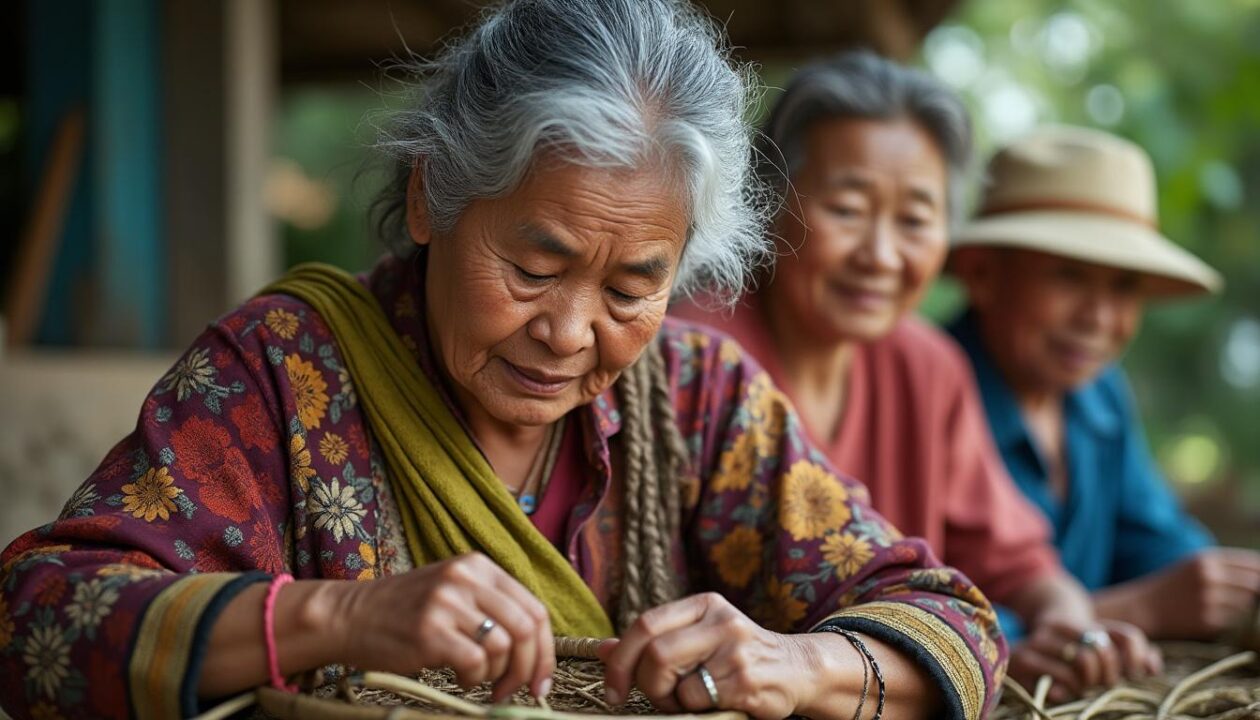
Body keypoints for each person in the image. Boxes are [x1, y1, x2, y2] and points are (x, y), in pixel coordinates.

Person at [0, 3, 1006, 719]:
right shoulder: (282, 373)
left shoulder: (701, 403)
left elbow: (952, 623)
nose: (570, 333)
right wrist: (337, 617)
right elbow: (34, 618)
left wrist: (799, 663)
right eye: (534, 267)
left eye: (628, 290)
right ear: (433, 194)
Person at [672, 52, 1157, 702]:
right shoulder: (700, 360)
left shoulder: (929, 367)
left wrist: (1068, 626)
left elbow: (1019, 561)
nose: (880, 255)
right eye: (847, 209)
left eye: (915, 220)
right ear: (770, 202)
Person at [948, 124, 1260, 647]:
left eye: (1124, 286)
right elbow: (897, 610)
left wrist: (1227, 586)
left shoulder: (1100, 397)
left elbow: (1155, 541)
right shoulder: (919, 389)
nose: (1099, 318)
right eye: (1069, 275)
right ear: (983, 275)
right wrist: (1133, 610)